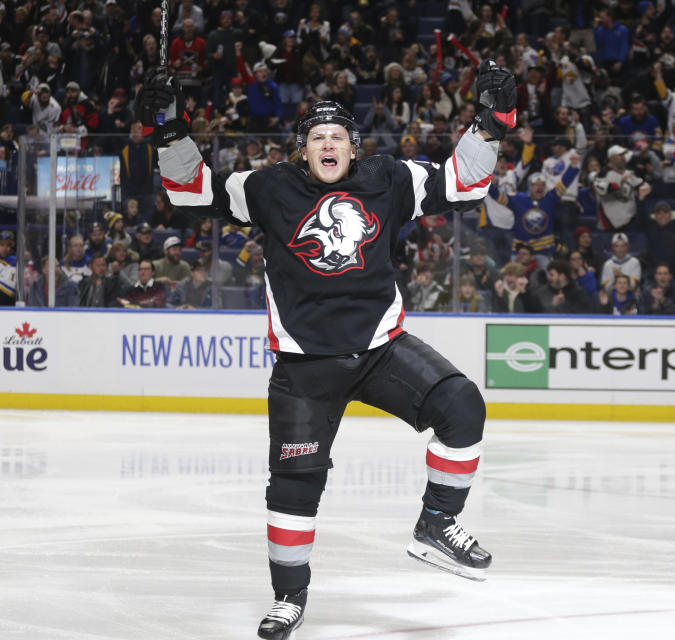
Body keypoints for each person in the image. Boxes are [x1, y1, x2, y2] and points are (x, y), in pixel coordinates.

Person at [136, 59, 516, 637]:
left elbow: (463, 182)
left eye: (338, 135)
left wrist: (491, 124)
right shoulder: (268, 188)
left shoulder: (389, 178)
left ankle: (437, 523)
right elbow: (194, 194)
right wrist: (170, 132)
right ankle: (290, 598)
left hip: (381, 349)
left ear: (353, 147)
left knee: (463, 407)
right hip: (304, 367)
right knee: (295, 487)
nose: (328, 143)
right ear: (303, 151)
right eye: (317, 137)